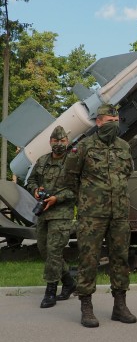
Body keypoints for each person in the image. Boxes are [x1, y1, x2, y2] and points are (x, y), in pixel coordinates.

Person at [64, 104, 137, 328]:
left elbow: (127, 173)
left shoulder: (124, 147)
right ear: (98, 122)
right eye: (108, 121)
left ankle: (120, 305)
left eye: (116, 121)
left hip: (119, 214)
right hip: (92, 216)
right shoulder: (84, 147)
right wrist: (86, 201)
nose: (113, 125)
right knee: (89, 259)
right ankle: (86, 306)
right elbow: (69, 179)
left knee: (121, 259)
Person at [26, 125, 76, 308]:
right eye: (55, 141)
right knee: (44, 250)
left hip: (62, 214)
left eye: (62, 141)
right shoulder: (42, 161)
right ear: (50, 142)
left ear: (67, 141)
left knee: (54, 251)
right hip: (43, 213)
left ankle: (50, 292)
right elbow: (30, 181)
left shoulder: (73, 162)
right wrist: (35, 190)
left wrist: (58, 198)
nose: (59, 144)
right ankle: (70, 282)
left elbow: (77, 189)